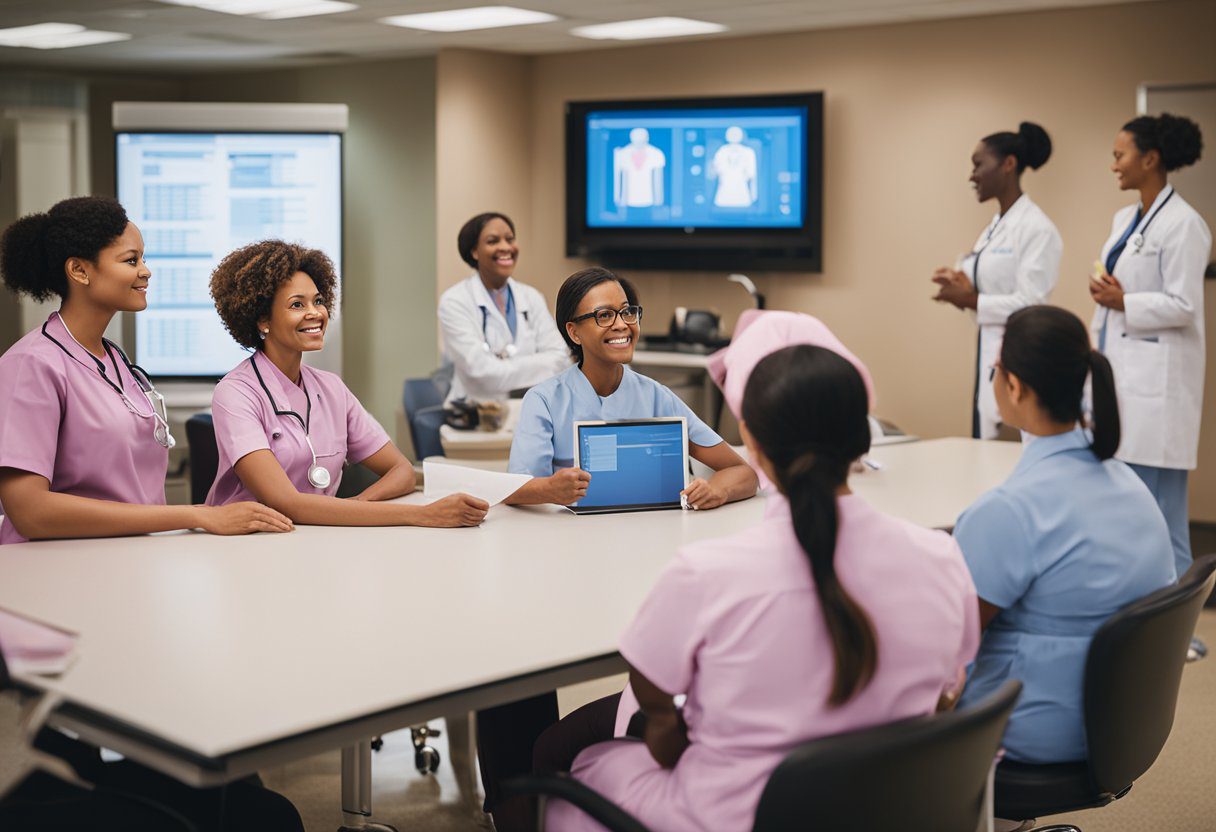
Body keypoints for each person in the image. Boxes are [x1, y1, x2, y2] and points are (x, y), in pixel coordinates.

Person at [535, 344, 978, 832]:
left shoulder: (707, 575)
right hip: (886, 810)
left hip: (732, 817)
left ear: (753, 442)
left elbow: (659, 717)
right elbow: (945, 697)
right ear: (863, 442)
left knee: (580, 770)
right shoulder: (941, 558)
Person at [0, 196, 294, 545]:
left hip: (131, 557)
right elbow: (30, 512)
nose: (146, 270)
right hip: (53, 571)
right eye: (130, 260)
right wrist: (197, 514)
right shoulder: (31, 365)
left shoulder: (115, 362)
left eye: (143, 258)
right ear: (79, 270)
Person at [954, 305, 1175, 765]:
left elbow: (948, 644)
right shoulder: (1130, 485)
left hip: (1029, 732)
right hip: (1121, 724)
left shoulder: (1008, 512)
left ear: (1013, 386)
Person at [206, 239, 487, 527]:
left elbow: (401, 470)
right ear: (262, 319)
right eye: (297, 305)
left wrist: (353, 508)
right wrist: (423, 515)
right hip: (248, 546)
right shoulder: (235, 393)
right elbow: (285, 502)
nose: (315, 313)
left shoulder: (331, 388)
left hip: (319, 537)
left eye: (318, 301)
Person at [506, 266, 757, 508]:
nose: (622, 325)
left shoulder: (656, 397)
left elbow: (742, 472)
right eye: (604, 315)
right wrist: (550, 489)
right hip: (573, 539)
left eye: (627, 312)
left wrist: (715, 490)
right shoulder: (544, 401)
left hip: (653, 537)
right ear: (574, 332)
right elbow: (512, 490)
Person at [1089, 113, 1209, 587]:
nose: (1114, 165)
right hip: (1123, 378)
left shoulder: (1185, 224)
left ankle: (1177, 632)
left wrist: (1125, 300)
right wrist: (1110, 293)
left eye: (1120, 155)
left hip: (1158, 392)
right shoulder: (1126, 217)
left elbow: (1184, 305)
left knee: (1163, 518)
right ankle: (1143, 617)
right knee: (1132, 515)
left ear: (1150, 158)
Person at [932, 122, 1063, 439]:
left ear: (1008, 164)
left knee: (1006, 453)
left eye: (979, 165)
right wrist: (960, 281)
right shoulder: (995, 227)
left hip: (1018, 361)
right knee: (986, 448)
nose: (972, 175)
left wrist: (971, 299)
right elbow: (989, 283)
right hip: (989, 354)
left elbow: (1031, 305)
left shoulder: (1036, 228)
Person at [438, 213, 569, 406]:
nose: (506, 247)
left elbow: (560, 358)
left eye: (510, 239)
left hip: (531, 408)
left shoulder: (531, 297)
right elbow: (480, 371)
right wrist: (538, 365)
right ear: (474, 251)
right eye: (493, 241)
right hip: (476, 417)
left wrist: (501, 369)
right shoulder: (455, 301)